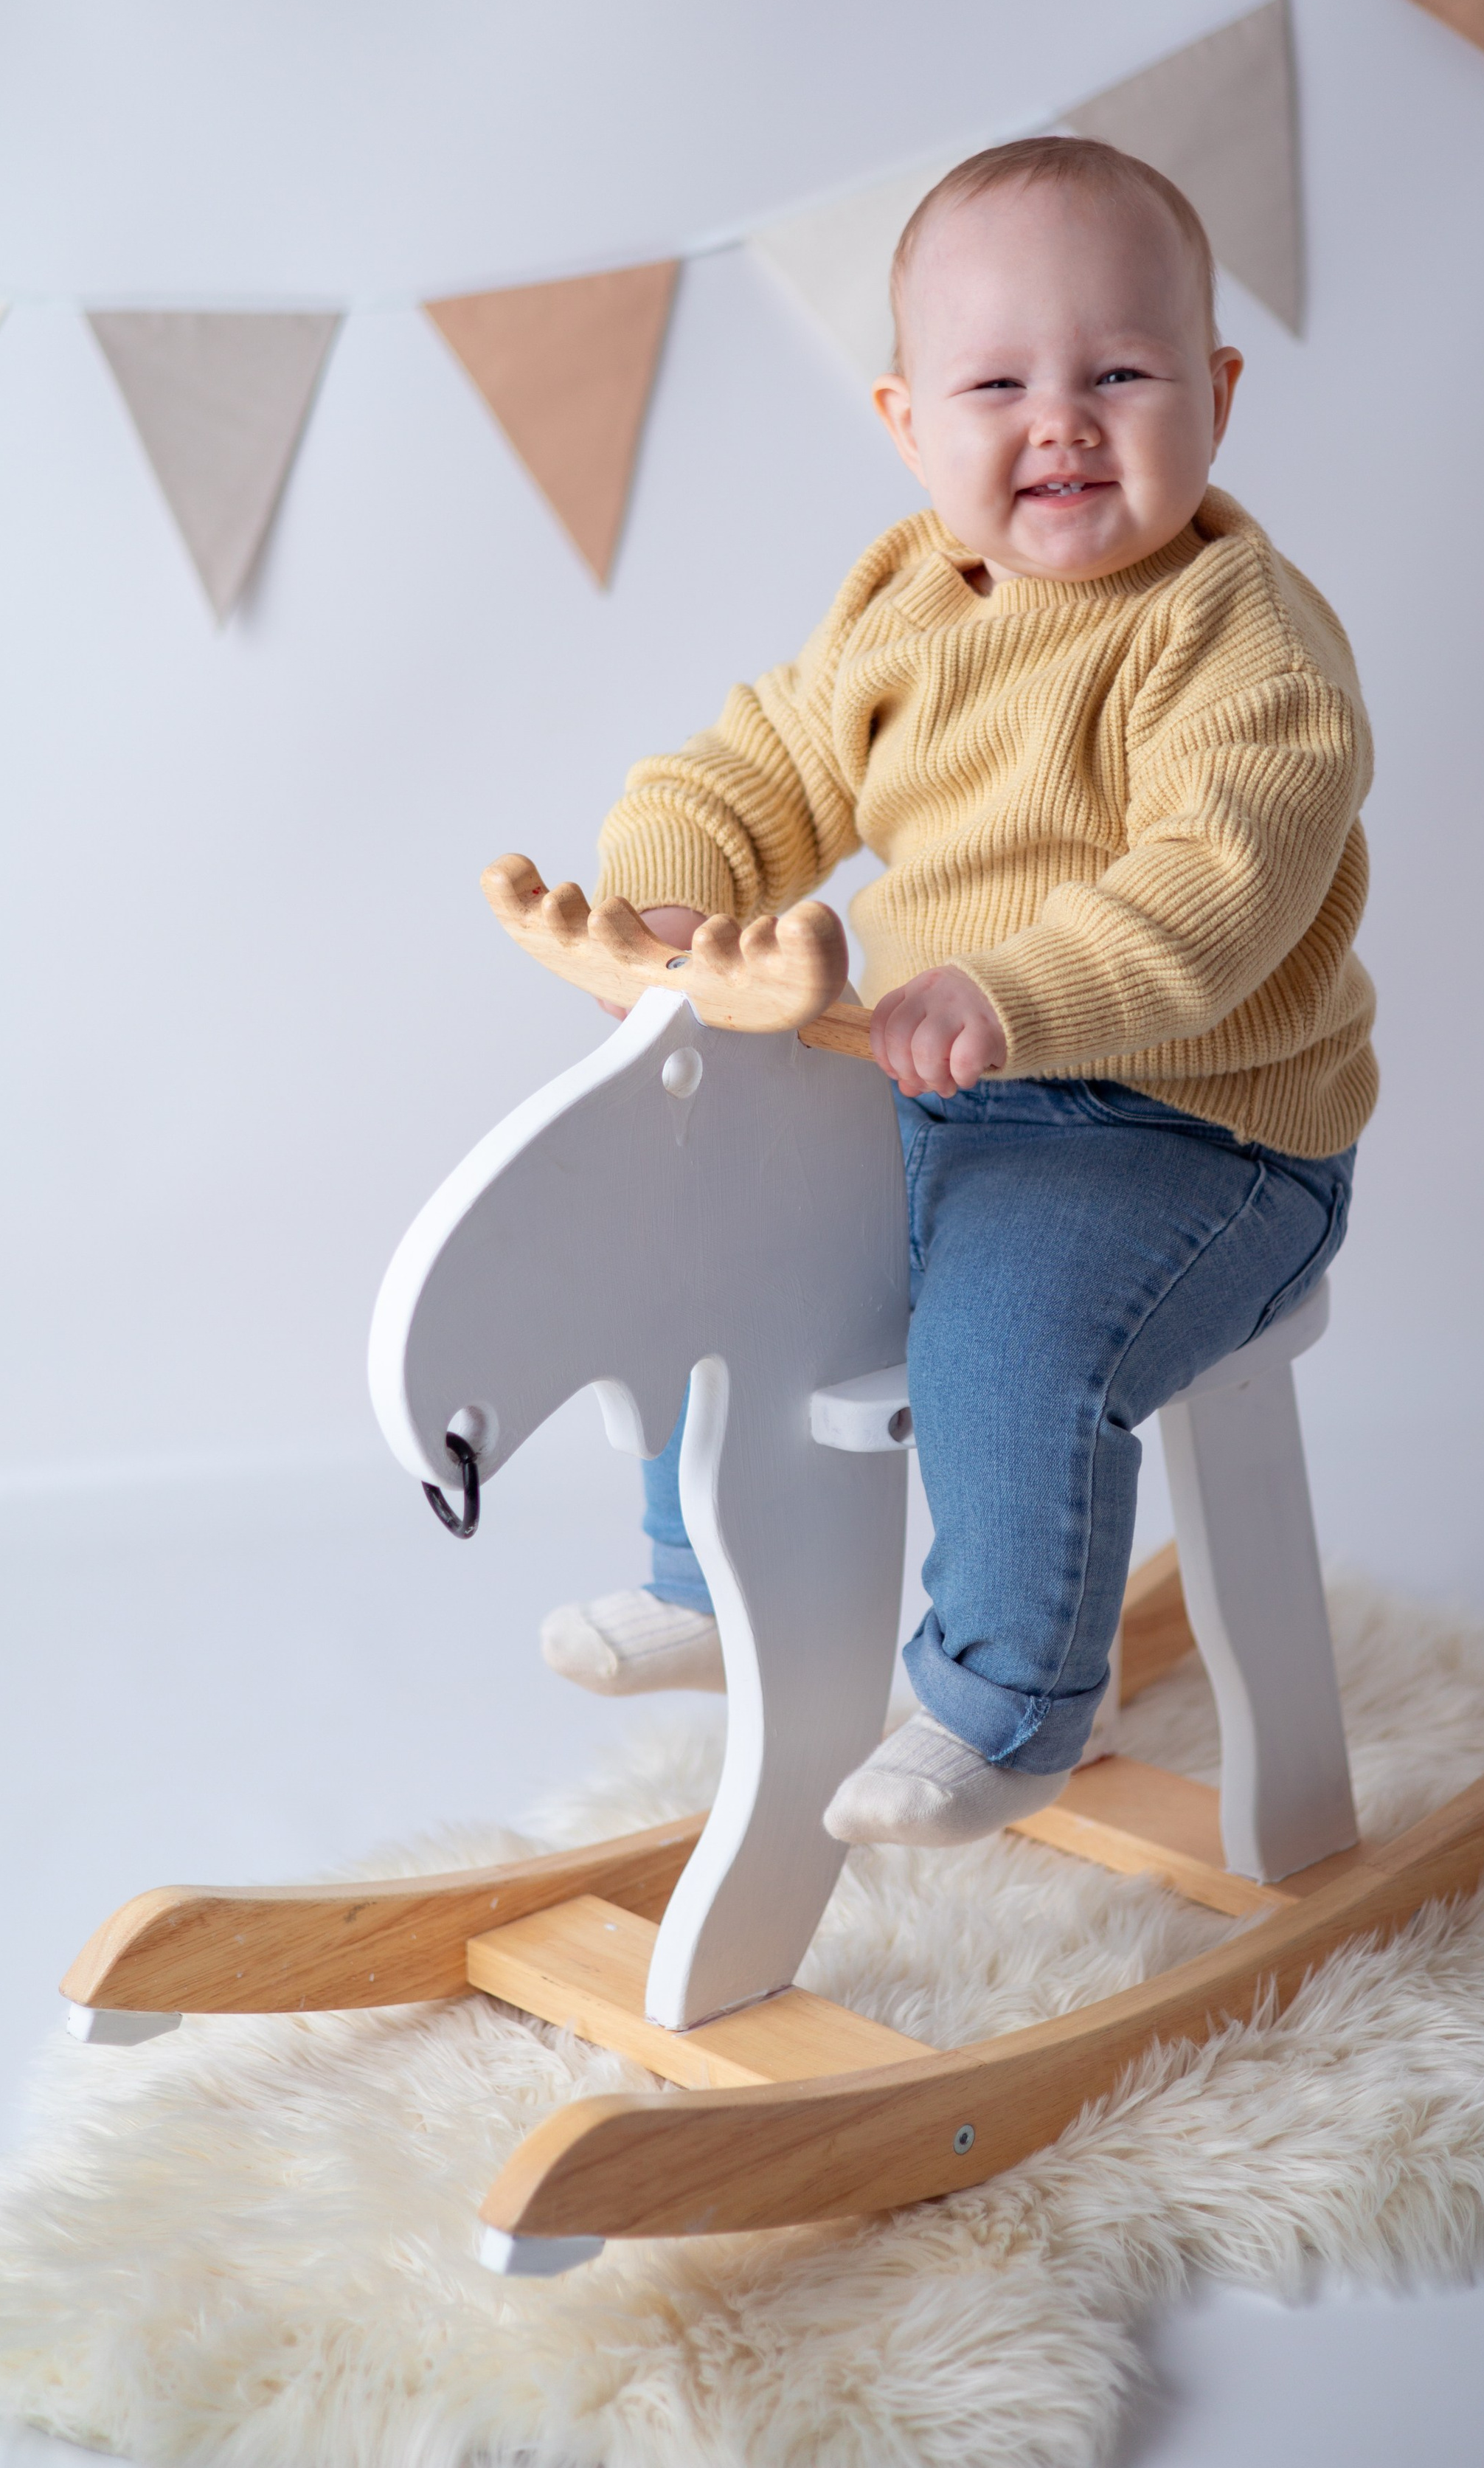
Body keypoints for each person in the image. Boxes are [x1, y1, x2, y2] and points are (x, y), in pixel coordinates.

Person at [541, 134, 1376, 1847]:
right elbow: (766, 758)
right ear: (907, 425)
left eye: (1119, 373)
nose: (1058, 422)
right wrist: (675, 879)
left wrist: (1010, 992)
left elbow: (1208, 894)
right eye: (995, 383)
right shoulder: (903, 603)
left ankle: (1001, 1704)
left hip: (1195, 1136)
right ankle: (701, 1577)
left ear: (1213, 396)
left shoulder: (1243, 642)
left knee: (998, 1330)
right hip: (947, 1084)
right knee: (715, 1217)